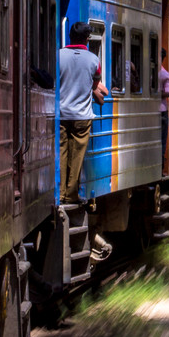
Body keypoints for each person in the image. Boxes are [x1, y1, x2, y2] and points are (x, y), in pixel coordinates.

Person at [59, 22, 107, 204]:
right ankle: (71, 194)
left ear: (70, 36)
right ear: (87, 39)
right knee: (77, 155)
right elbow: (95, 84)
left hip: (62, 114)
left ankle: (60, 192)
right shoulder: (94, 60)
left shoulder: (59, 55)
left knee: (61, 152)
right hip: (82, 116)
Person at [159, 48, 169, 168]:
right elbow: (168, 92)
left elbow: (168, 93)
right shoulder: (166, 75)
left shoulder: (161, 74)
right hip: (162, 111)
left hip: (157, 110)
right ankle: (160, 164)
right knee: (162, 140)